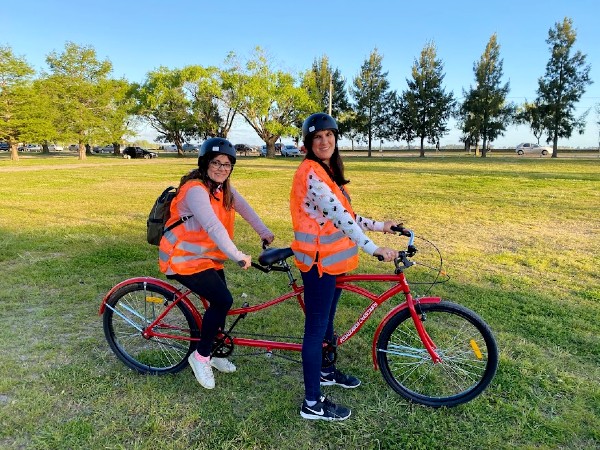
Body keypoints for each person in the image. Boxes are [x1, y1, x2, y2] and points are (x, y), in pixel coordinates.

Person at [290, 112, 400, 421]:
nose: (324, 141)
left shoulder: (327, 172)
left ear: (335, 139)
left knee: (327, 323)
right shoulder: (311, 173)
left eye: (329, 135)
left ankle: (326, 371)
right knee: (315, 330)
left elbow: (347, 214)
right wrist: (373, 248)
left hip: (332, 262)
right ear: (309, 143)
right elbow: (341, 218)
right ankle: (312, 403)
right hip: (318, 264)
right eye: (317, 137)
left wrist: (381, 226)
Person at [159, 137, 275, 389]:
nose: (222, 168)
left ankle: (211, 352)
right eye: (216, 163)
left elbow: (245, 209)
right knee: (223, 300)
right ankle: (200, 356)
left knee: (220, 303)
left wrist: (264, 232)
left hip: (206, 259)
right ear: (205, 164)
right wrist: (236, 254)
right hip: (182, 259)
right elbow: (212, 226)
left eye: (227, 164)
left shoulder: (223, 190)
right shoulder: (195, 190)